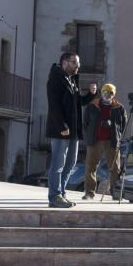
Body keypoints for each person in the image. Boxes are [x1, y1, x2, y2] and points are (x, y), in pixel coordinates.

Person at [44, 53, 94, 209]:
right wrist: (61, 126)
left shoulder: (72, 80)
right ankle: (55, 196)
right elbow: (54, 106)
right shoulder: (55, 79)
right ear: (65, 63)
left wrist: (91, 95)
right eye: (74, 63)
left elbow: (78, 102)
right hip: (61, 130)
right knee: (58, 164)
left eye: (78, 63)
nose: (77, 66)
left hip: (73, 131)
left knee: (70, 163)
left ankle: (62, 193)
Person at [81, 83, 126, 200]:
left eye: (110, 93)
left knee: (115, 168)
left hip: (112, 141)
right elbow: (85, 123)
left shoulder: (119, 108)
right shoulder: (92, 106)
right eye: (106, 92)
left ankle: (115, 192)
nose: (108, 95)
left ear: (114, 94)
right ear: (102, 93)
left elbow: (123, 125)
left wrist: (115, 131)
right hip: (95, 141)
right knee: (90, 166)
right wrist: (88, 137)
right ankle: (89, 192)